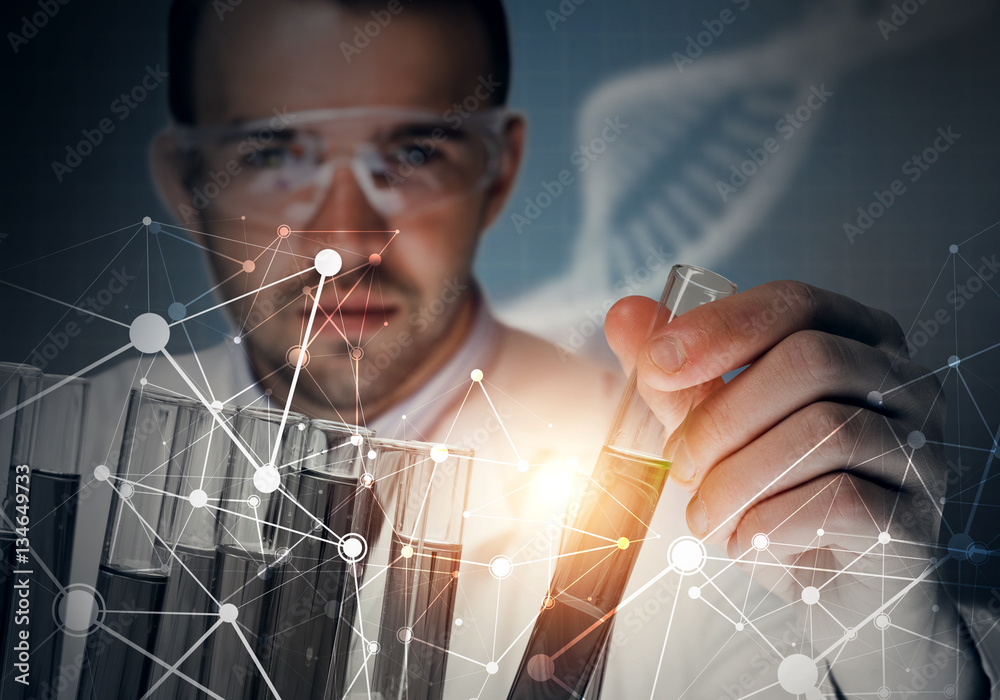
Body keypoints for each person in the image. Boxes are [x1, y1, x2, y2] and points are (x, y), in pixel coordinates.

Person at [74, 0, 991, 697]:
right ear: (185, 178)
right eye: (274, 153)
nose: (344, 238)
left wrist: (897, 652)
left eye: (413, 152)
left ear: (500, 167)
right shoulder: (54, 457)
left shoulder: (698, 501)